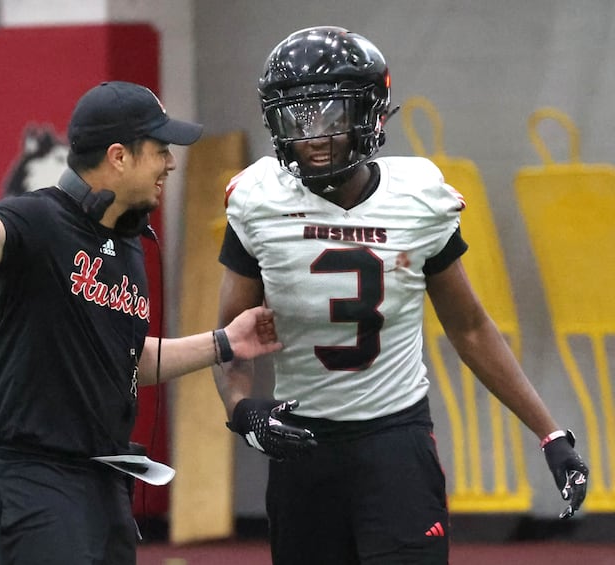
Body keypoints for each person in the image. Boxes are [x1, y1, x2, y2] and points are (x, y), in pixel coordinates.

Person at [214, 27, 589, 564]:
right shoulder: (257, 200)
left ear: (369, 115)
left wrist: (550, 432)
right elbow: (229, 339)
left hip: (394, 439)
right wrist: (241, 408)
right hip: (301, 444)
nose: (311, 135)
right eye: (296, 117)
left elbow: (470, 327)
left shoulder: (418, 197)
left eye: (329, 115)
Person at [0, 80, 282, 565]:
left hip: (103, 476)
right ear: (118, 156)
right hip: (36, 476)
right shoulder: (38, 220)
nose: (170, 163)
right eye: (160, 150)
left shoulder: (126, 241)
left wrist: (225, 341)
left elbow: (127, 359)